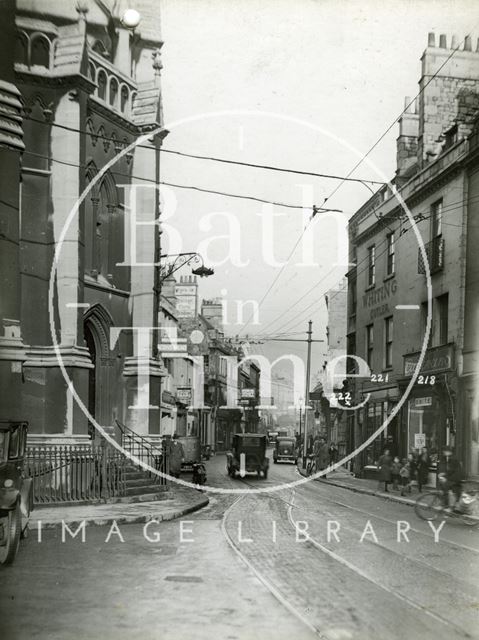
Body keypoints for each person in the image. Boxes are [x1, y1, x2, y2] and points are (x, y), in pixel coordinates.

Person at [437, 445, 463, 510]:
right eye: (444, 451)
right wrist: (441, 473)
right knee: (442, 485)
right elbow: (443, 467)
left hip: (455, 477)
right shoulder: (444, 458)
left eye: (445, 451)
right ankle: (445, 503)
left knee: (446, 486)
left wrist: (445, 476)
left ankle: (449, 505)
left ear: (449, 451)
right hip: (450, 476)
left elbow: (452, 470)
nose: (443, 452)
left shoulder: (454, 458)